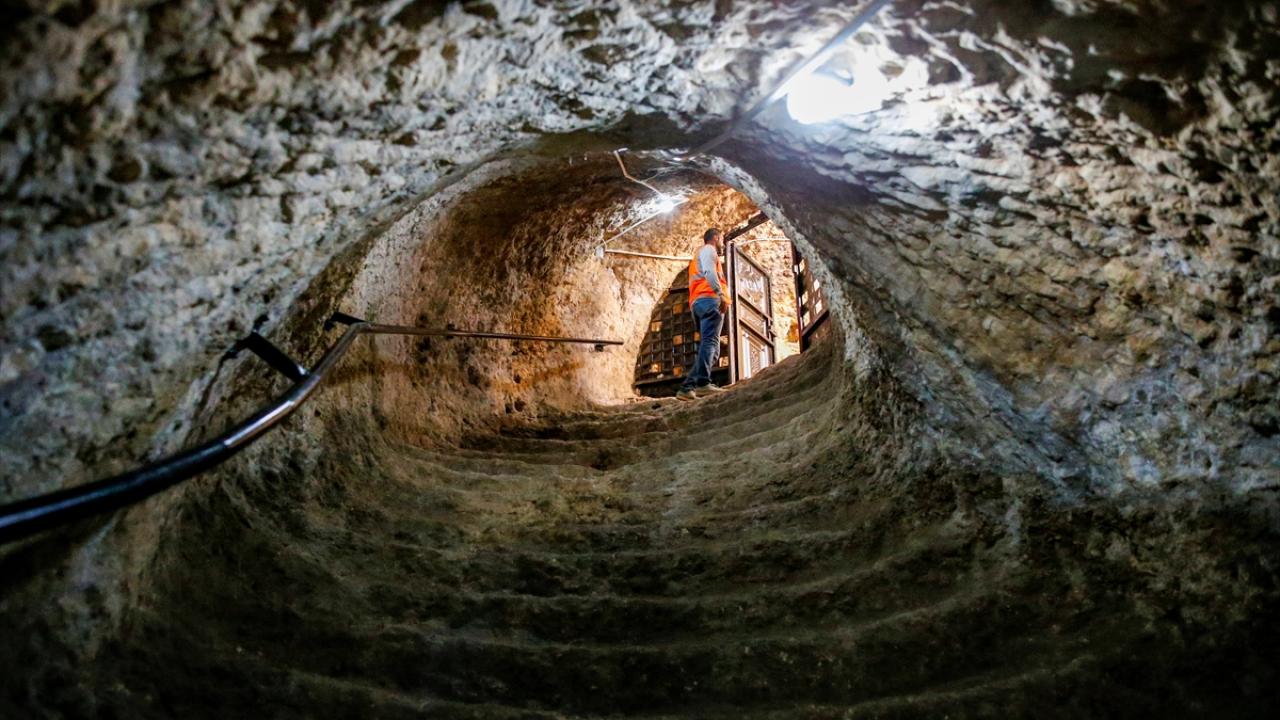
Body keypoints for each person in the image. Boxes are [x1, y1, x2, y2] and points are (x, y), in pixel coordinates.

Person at [677, 228, 731, 401]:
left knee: (712, 350)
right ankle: (702, 384)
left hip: (698, 302)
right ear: (715, 237)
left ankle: (688, 387)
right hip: (709, 299)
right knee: (710, 343)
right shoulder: (709, 250)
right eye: (722, 238)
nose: (722, 241)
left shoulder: (696, 257)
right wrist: (721, 295)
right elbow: (709, 272)